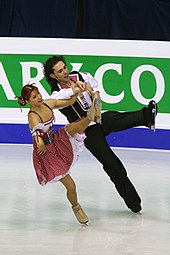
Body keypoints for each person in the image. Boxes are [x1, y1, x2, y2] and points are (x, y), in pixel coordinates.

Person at [43, 55, 158, 214]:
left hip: (98, 119)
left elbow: (93, 83)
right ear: (53, 76)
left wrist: (95, 94)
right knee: (113, 165)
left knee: (112, 117)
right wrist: (76, 89)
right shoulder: (57, 93)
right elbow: (61, 97)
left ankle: (146, 117)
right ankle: (134, 203)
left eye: (65, 67)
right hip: (87, 131)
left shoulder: (79, 76)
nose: (65, 71)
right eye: (60, 71)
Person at [16, 83, 99, 225]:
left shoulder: (48, 104)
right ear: (28, 101)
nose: (39, 98)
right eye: (34, 97)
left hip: (55, 141)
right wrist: (40, 142)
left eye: (39, 94)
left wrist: (77, 90)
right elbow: (36, 133)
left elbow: (69, 102)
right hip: (46, 153)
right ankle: (76, 208)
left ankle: (90, 117)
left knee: (72, 127)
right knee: (71, 186)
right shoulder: (33, 117)